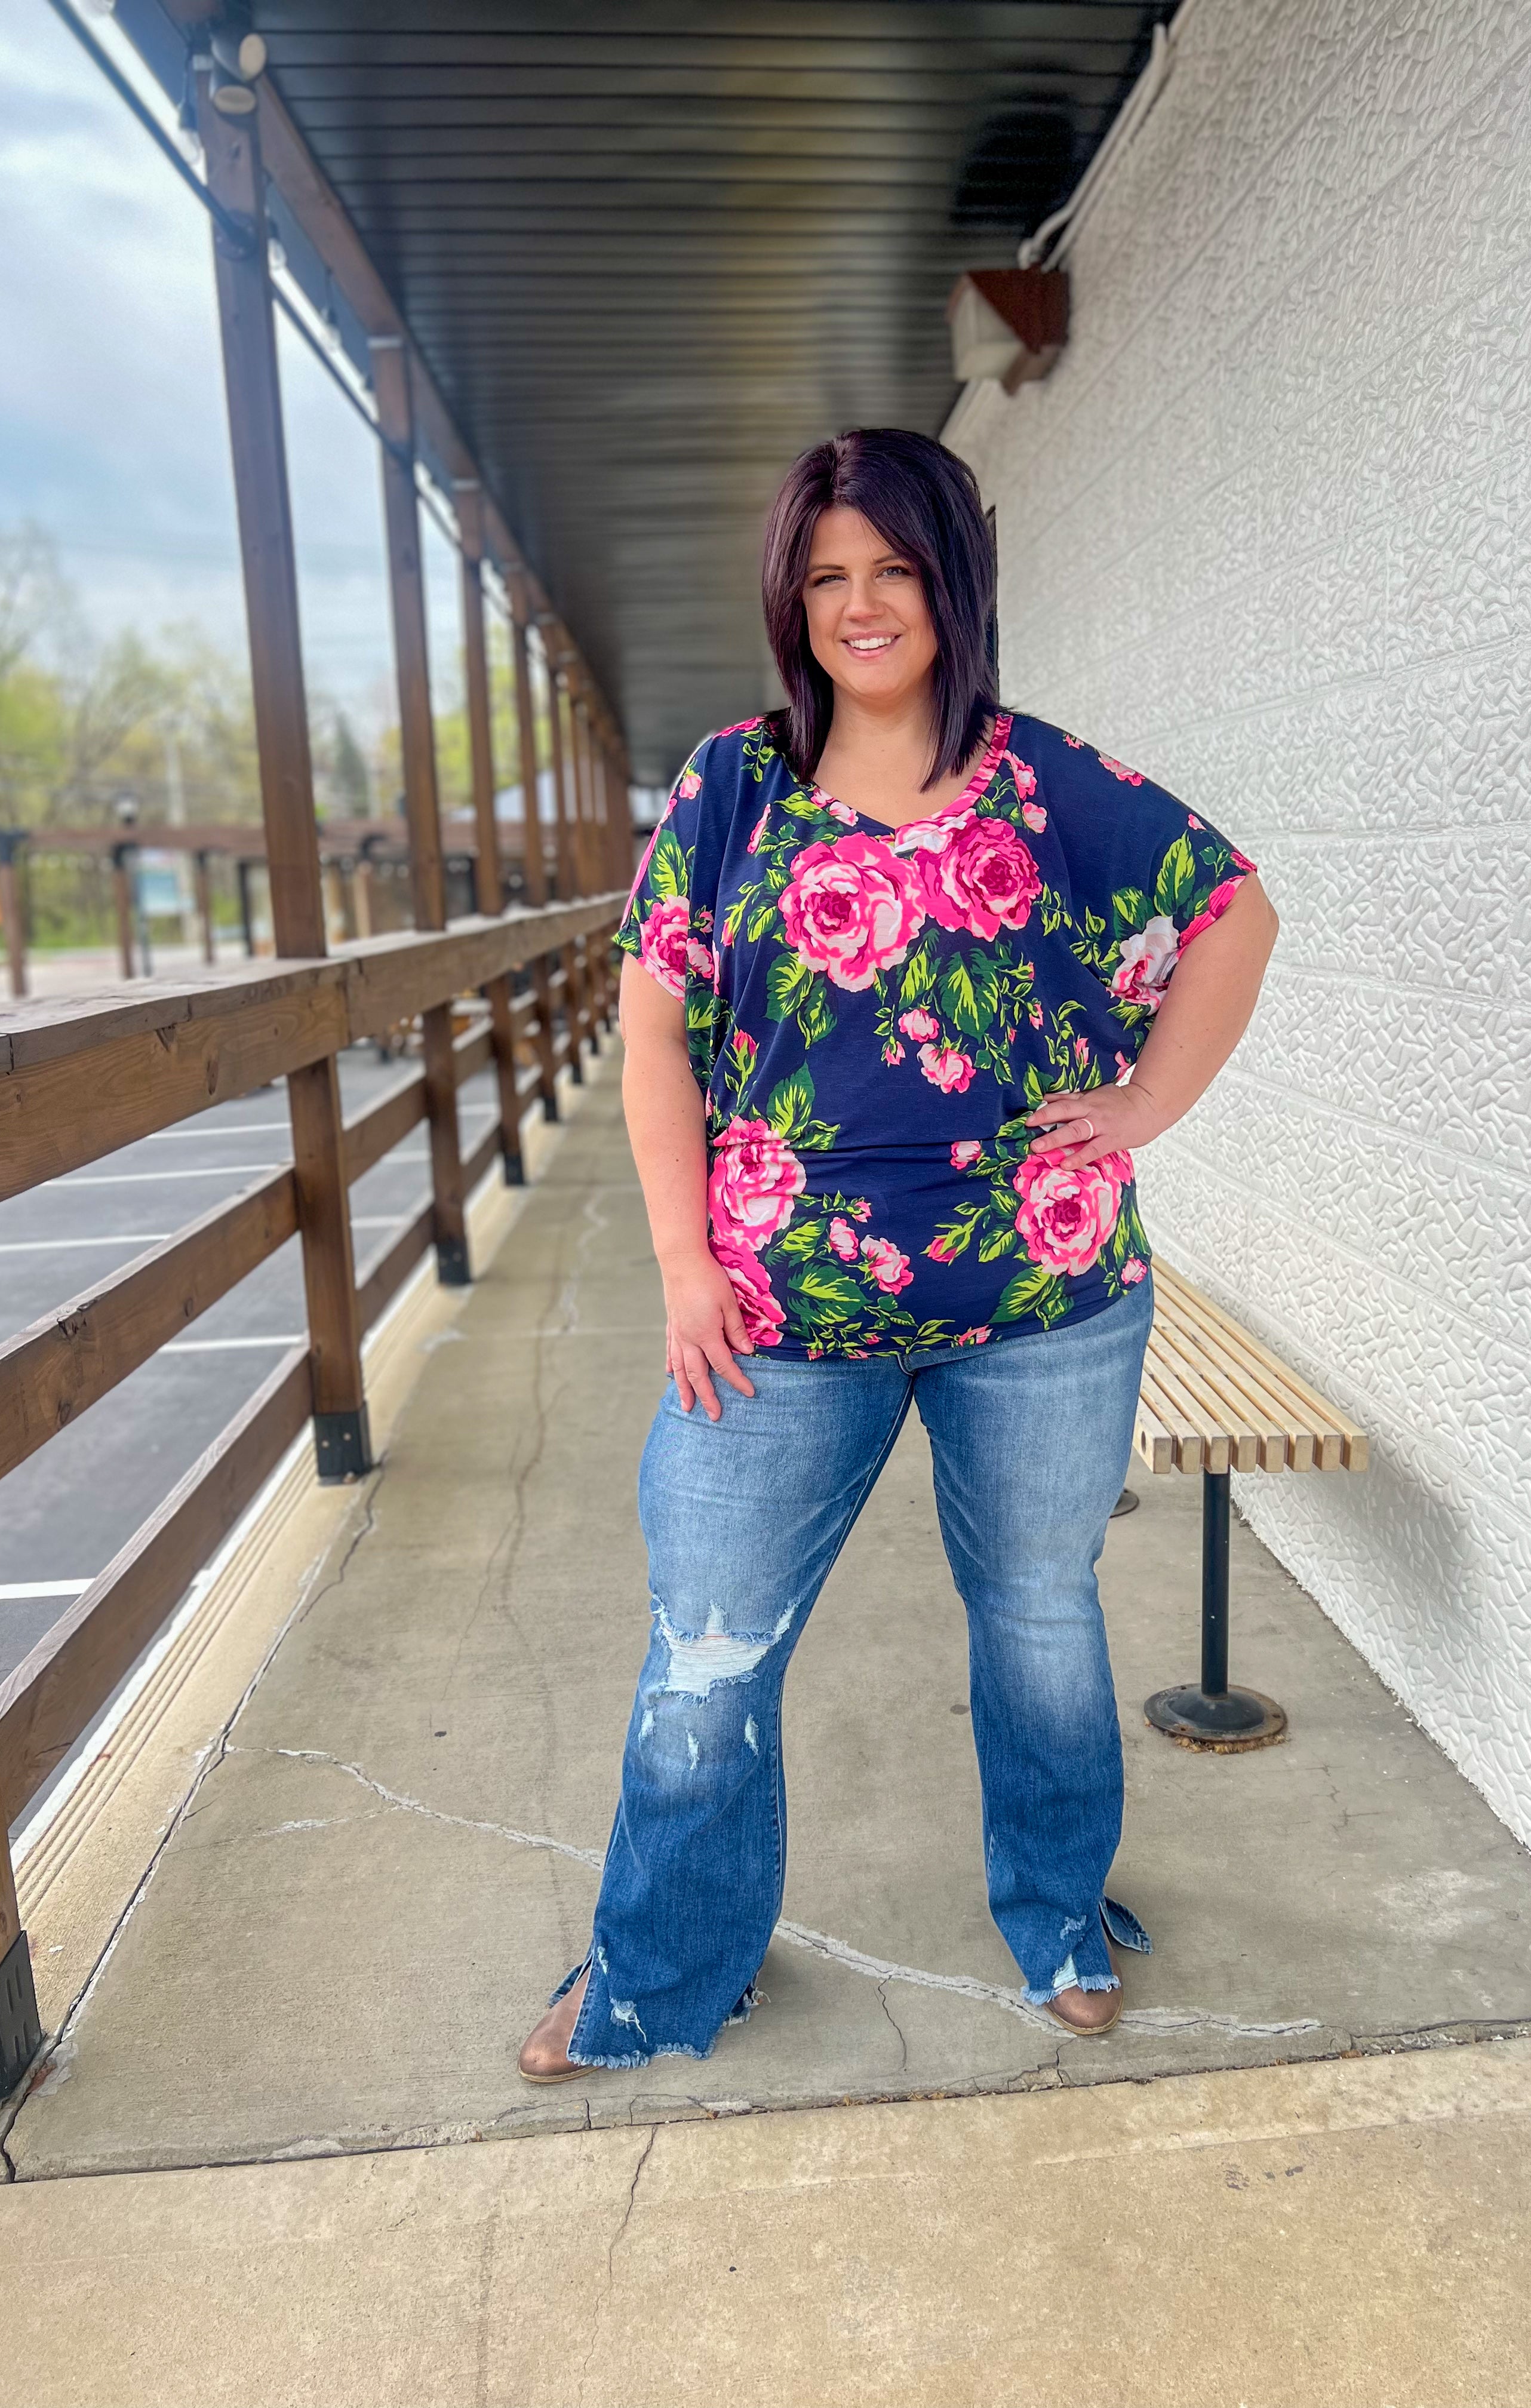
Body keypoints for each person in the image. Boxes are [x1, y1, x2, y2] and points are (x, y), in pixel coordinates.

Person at [519, 427, 1277, 2080]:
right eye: (827, 575)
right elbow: (655, 1041)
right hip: (775, 1309)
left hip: (1043, 1303)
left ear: (955, 580)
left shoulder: (1047, 780)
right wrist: (683, 1261)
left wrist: (1142, 1106)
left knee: (1038, 1617)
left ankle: (1061, 1909)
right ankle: (658, 1969)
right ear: (794, 600)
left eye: (895, 568)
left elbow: (1234, 912)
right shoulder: (733, 786)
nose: (862, 604)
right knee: (706, 1646)